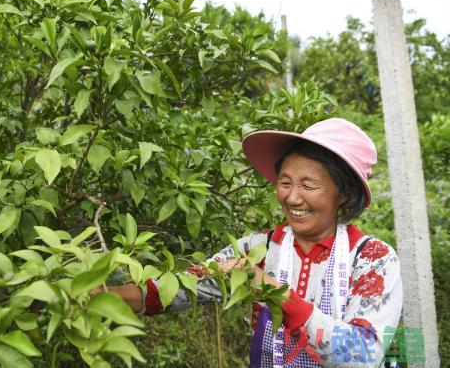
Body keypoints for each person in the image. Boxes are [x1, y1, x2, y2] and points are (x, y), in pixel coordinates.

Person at [95, 118, 403, 367]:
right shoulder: (259, 248)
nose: (292, 197)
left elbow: (363, 355)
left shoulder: (373, 260)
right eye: (285, 182)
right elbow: (178, 289)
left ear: (344, 194)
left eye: (308, 185)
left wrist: (273, 292)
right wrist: (96, 294)